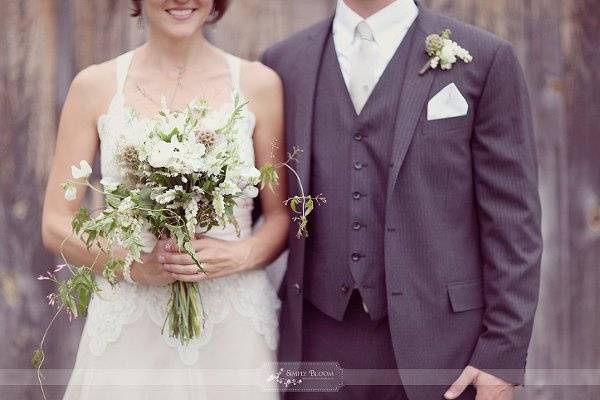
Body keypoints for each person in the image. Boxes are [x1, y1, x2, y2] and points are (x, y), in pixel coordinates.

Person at [261, 0, 542, 399]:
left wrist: (500, 356)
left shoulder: (485, 58)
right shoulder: (282, 62)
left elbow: (513, 221)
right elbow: (255, 192)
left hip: (443, 351)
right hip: (314, 346)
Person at [42, 0, 289, 398]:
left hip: (233, 323)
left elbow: (280, 219)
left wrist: (240, 255)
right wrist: (133, 265)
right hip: (133, 323)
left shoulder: (260, 85)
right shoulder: (95, 86)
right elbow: (56, 223)